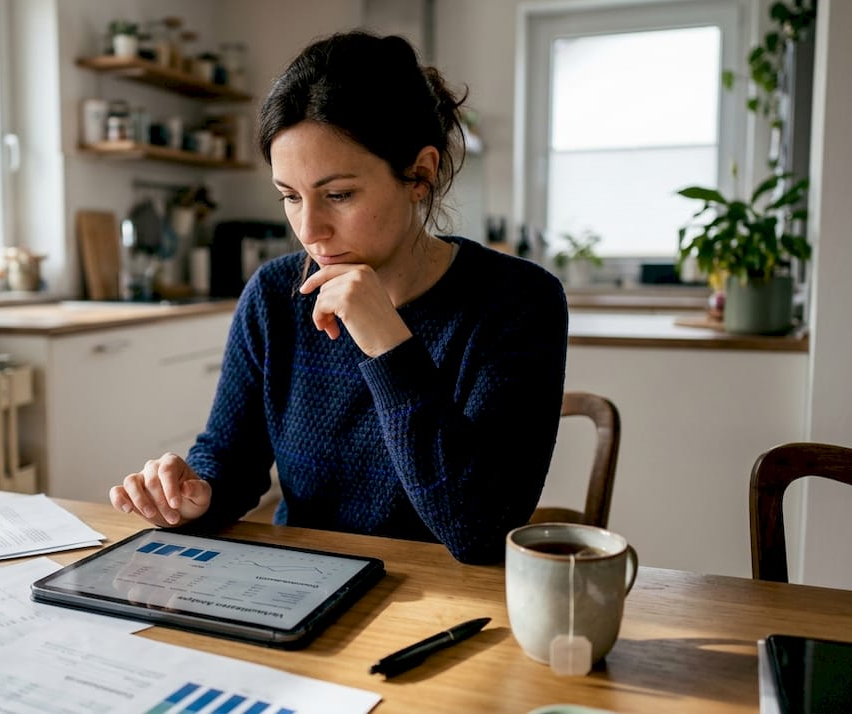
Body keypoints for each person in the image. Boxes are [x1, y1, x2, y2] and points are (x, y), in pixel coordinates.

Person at [110, 31, 567, 564]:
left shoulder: (518, 302)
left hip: (454, 605)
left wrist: (388, 344)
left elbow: (479, 532)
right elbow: (231, 461)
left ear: (421, 174)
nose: (310, 230)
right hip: (303, 587)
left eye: (339, 195)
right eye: (290, 197)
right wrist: (195, 494)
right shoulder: (276, 295)